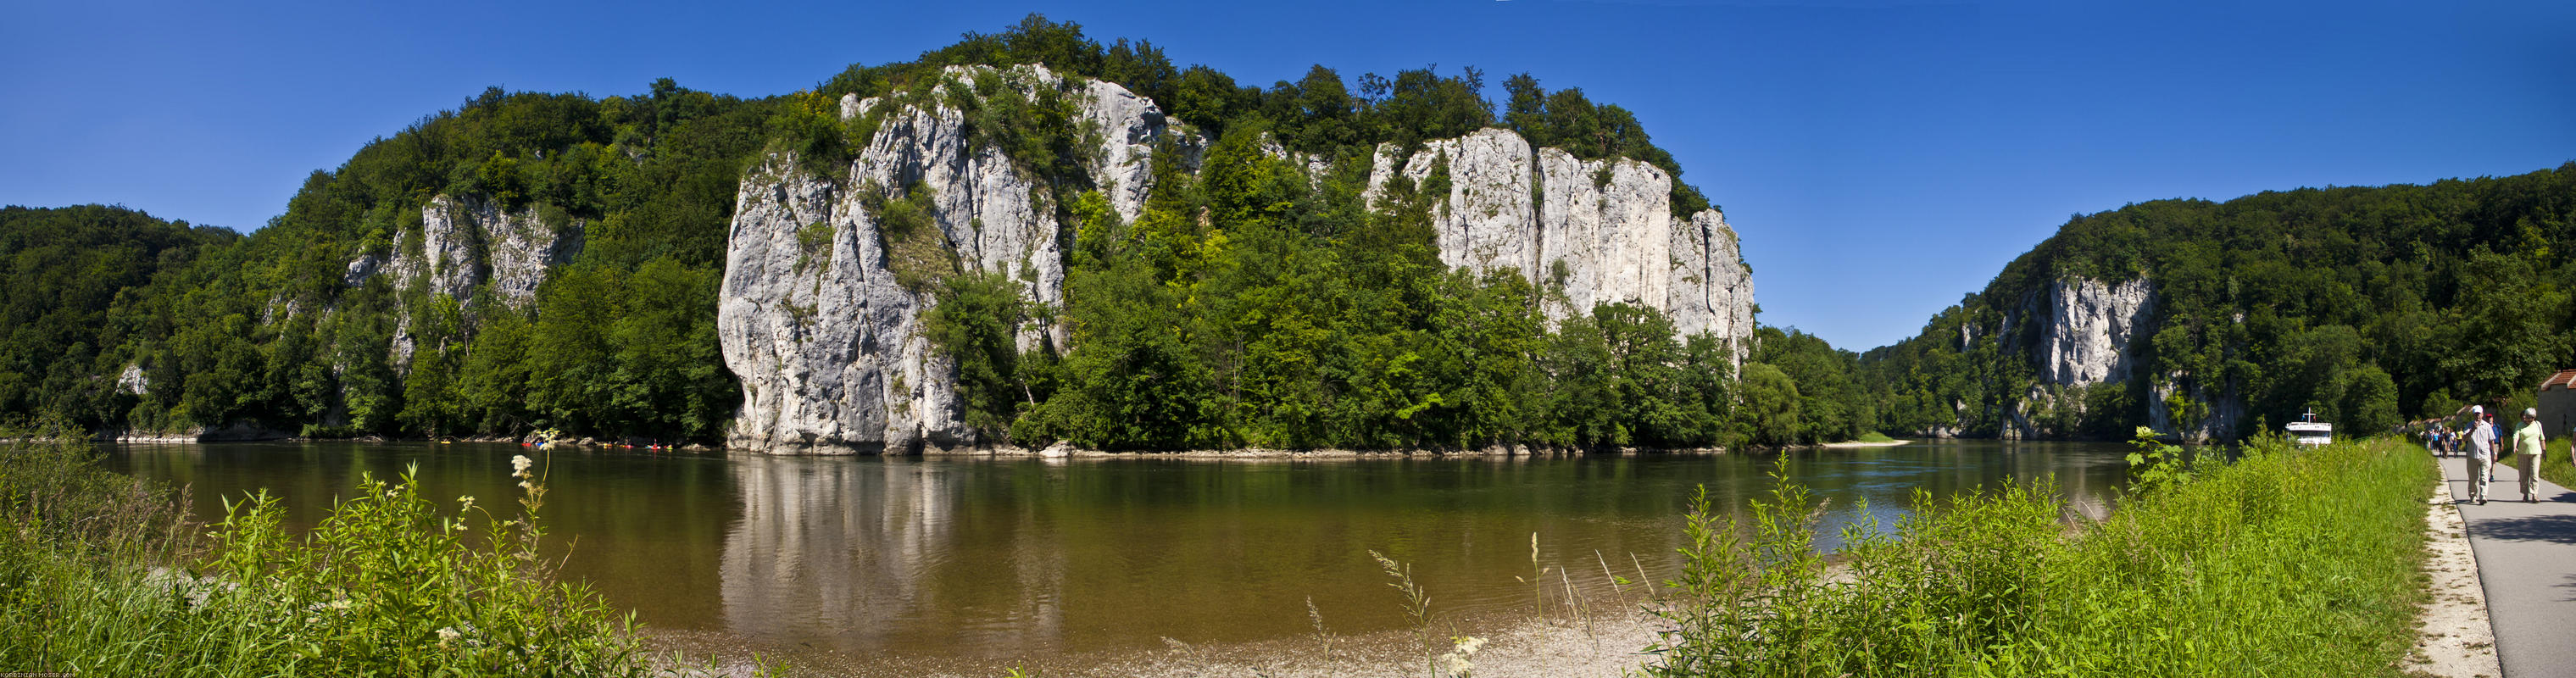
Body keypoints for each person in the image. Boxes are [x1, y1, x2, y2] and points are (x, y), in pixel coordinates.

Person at [2518, 408, 2548, 503]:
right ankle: (2525, 494)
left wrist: (2544, 451)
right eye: (2528, 417)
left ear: (2534, 417)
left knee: (2534, 474)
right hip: (2523, 453)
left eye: (2532, 417)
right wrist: (2515, 447)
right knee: (2524, 474)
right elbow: (2516, 437)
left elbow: (2542, 438)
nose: (2530, 419)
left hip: (2536, 452)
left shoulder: (2538, 425)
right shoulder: (2520, 425)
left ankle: (2535, 495)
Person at [2468, 406, 2496, 504]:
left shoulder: (2487, 426)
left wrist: (2494, 453)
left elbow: (2492, 440)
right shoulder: (2469, 425)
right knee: (2473, 478)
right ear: (2473, 415)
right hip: (2472, 455)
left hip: (2485, 455)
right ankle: (2473, 494)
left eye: (2479, 414)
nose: (2478, 416)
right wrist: (2472, 429)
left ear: (2482, 414)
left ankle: (2483, 496)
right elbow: (2464, 439)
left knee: (2484, 476)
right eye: (2476, 414)